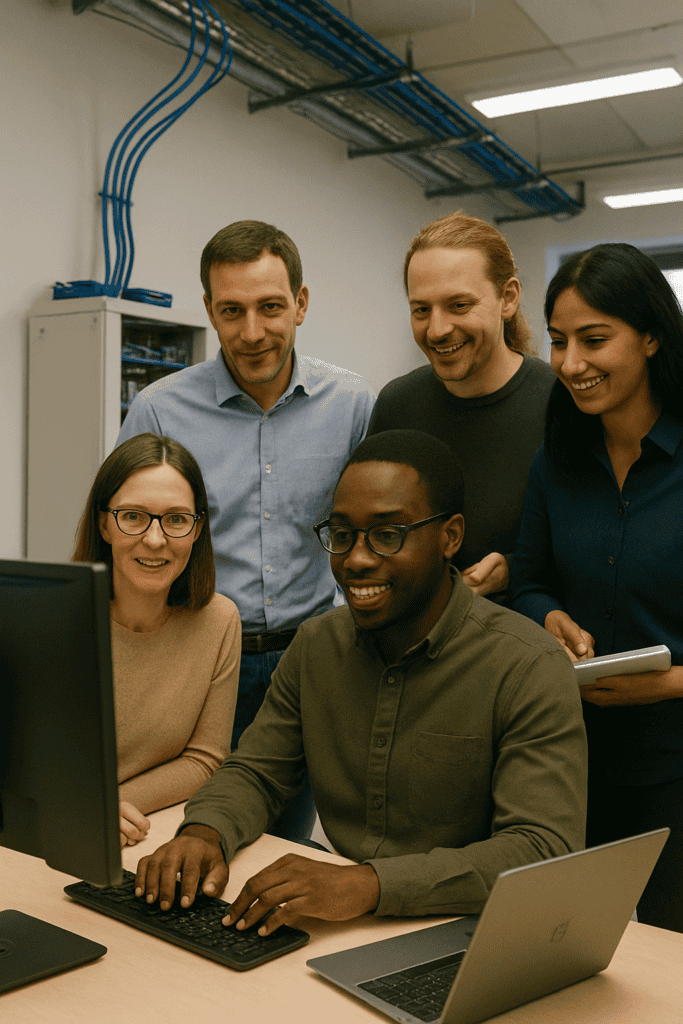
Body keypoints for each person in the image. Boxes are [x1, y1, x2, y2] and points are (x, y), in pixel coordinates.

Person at [134, 430, 587, 931]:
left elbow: (541, 848)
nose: (356, 559)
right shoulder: (316, 646)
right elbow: (257, 772)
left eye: (388, 534)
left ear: (450, 537)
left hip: (474, 928)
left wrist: (369, 885)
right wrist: (203, 832)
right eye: (343, 534)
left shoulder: (527, 665)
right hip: (343, 925)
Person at [117, 220, 375, 840]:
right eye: (231, 310)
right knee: (180, 837)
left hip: (309, 664)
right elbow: (127, 542)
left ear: (302, 304)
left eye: (271, 307)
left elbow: (366, 537)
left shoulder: (352, 405)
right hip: (196, 662)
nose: (252, 331)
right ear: (208, 310)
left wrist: (344, 632)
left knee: (283, 845)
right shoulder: (159, 409)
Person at [510, 242, 683, 932]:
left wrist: (669, 683)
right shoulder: (555, 463)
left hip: (675, 763)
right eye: (557, 342)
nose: (570, 364)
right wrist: (546, 616)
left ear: (648, 335)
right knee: (570, 950)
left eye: (593, 339)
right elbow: (528, 582)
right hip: (569, 757)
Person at [367, 212, 556, 603]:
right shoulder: (396, 406)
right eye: (421, 310)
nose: (436, 329)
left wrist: (515, 568)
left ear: (508, 298)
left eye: (458, 305)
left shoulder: (560, 403)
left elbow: (600, 547)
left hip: (527, 647)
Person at [73, 432, 240, 848]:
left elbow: (204, 760)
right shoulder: (50, 614)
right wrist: (83, 808)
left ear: (198, 529)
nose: (155, 539)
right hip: (47, 834)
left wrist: (109, 804)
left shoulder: (219, 620)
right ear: (103, 523)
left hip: (145, 834)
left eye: (176, 519)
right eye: (133, 516)